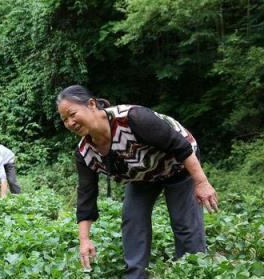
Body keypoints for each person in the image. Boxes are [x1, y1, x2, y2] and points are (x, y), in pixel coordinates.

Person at [56, 85, 218, 279]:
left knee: (184, 223)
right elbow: (86, 194)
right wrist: (84, 240)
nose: (70, 122)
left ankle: (193, 270)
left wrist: (201, 182)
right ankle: (135, 275)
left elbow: (180, 146)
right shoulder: (85, 152)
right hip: (142, 175)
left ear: (91, 105)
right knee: (132, 218)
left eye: (72, 114)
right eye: (64, 119)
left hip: (178, 164)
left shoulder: (133, 118)